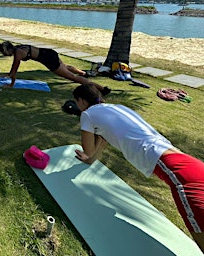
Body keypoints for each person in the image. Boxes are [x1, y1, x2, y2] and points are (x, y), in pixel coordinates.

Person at [72, 84, 204, 252]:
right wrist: (91, 160)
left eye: (76, 102)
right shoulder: (117, 108)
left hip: (175, 169)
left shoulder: (87, 114)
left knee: (198, 226)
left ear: (82, 101)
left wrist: (89, 153)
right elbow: (102, 141)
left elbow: (89, 149)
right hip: (186, 161)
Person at [0, 41, 111, 96]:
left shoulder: (18, 53)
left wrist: (11, 84)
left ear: (8, 50)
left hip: (49, 60)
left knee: (73, 78)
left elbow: (15, 69)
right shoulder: (18, 48)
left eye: (4, 52)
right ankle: (83, 73)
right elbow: (13, 68)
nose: (4, 55)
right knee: (66, 67)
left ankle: (102, 89)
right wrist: (8, 75)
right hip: (50, 53)